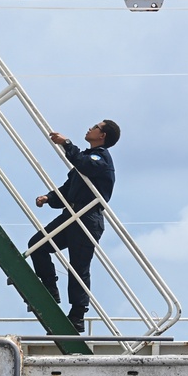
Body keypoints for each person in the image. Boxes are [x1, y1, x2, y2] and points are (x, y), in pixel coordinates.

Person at [29, 120, 120, 332]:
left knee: (79, 267)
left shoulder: (101, 158)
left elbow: (85, 164)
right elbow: (69, 188)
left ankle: (77, 315)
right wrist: (49, 197)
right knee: (37, 245)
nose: (90, 128)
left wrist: (67, 143)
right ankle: (50, 289)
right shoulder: (86, 159)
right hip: (71, 214)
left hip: (87, 218)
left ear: (102, 135)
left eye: (96, 127)